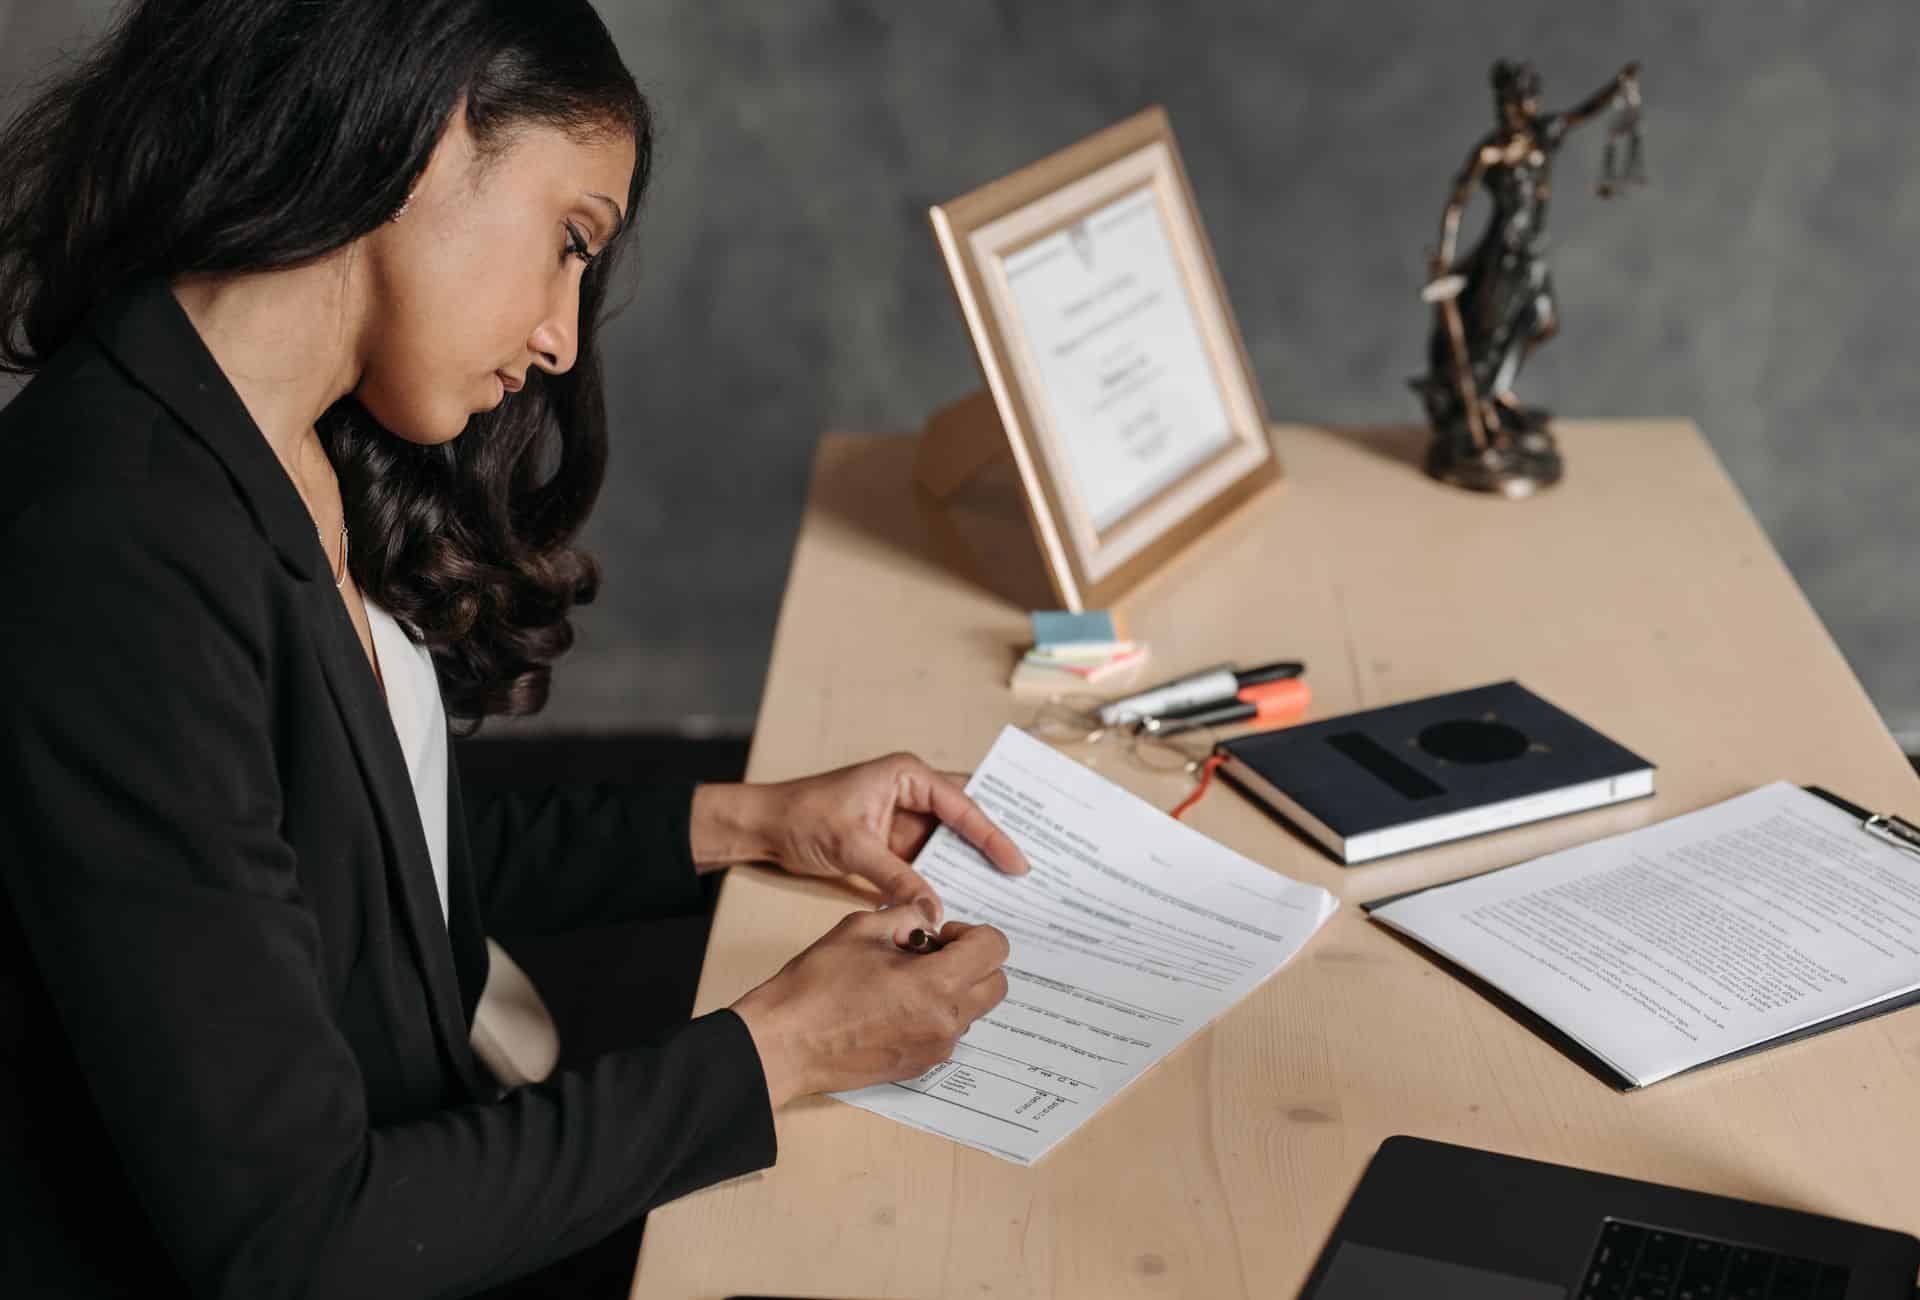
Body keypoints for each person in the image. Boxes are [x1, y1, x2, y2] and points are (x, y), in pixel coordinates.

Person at [0, 2, 1024, 1295]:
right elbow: (296, 1241)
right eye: (568, 241)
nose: (558, 335)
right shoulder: (113, 552)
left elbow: (353, 863)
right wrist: (776, 1054)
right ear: (433, 133)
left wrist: (753, 824)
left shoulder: (285, 437)